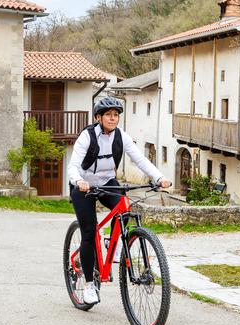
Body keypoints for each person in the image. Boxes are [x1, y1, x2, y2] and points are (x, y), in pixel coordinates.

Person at [66, 96, 172, 305]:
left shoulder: (120, 136)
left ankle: (110, 241)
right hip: (84, 186)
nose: (113, 119)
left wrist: (158, 177)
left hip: (107, 182)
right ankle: (88, 285)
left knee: (125, 206)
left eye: (116, 115)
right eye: (108, 115)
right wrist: (78, 180)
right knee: (89, 232)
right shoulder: (87, 137)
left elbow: (139, 159)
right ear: (99, 117)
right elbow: (73, 165)